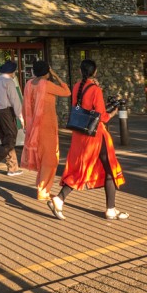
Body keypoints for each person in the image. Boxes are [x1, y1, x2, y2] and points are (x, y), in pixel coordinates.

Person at [48, 59, 128, 220]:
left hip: (80, 134)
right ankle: (110, 209)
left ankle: (60, 199)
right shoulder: (95, 89)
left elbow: (81, 108)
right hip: (96, 135)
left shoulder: (77, 87)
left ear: (80, 71)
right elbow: (102, 116)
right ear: (95, 72)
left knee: (81, 168)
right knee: (110, 168)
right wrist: (113, 112)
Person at [21, 60, 71, 201]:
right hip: (46, 127)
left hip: (34, 127)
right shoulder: (46, 85)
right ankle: (43, 191)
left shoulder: (29, 84)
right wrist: (56, 76)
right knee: (50, 160)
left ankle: (42, 188)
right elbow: (67, 92)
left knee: (43, 158)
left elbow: (25, 106)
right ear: (46, 72)